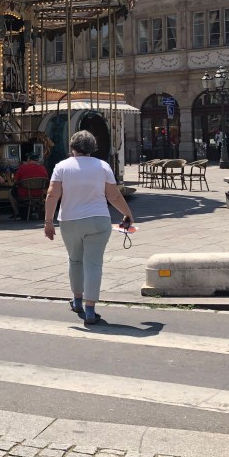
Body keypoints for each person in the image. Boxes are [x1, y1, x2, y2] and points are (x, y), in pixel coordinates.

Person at [43, 131, 135, 326]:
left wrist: (48, 222)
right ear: (93, 148)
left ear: (72, 147)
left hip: (70, 221)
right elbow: (114, 196)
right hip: (98, 220)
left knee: (75, 260)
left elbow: (52, 195)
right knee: (93, 264)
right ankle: (91, 309)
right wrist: (127, 214)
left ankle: (77, 301)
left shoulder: (61, 167)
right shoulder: (103, 166)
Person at [9, 153, 50, 219]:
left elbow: (15, 181)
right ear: (37, 161)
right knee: (34, 194)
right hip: (40, 193)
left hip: (25, 192)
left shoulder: (22, 167)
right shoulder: (43, 168)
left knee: (11, 192)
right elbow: (46, 181)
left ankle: (17, 212)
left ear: (28, 160)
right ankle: (33, 210)